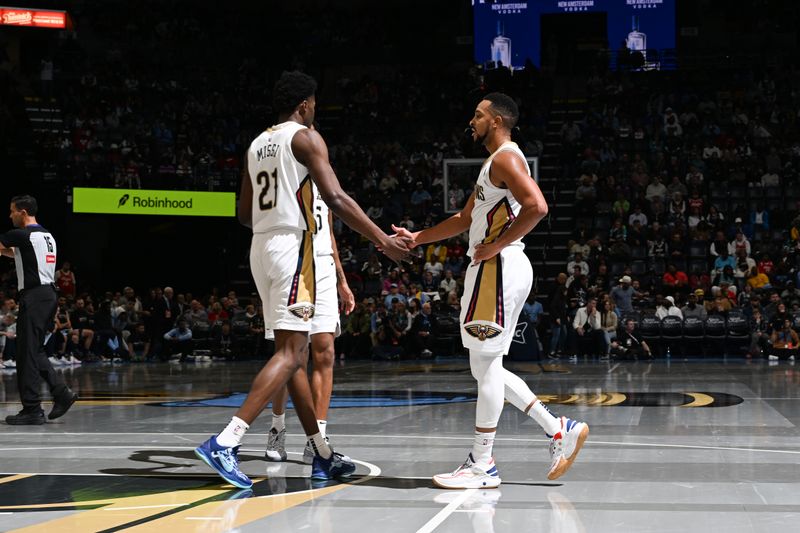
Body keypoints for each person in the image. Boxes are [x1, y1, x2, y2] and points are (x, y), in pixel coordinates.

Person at [195, 71, 409, 489]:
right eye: (315, 104)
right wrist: (382, 239)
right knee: (293, 354)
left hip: (262, 247)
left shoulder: (256, 144)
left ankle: (321, 452)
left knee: (291, 353)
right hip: (295, 249)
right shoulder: (307, 138)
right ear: (305, 104)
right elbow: (337, 198)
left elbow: (243, 214)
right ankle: (227, 440)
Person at [393, 93, 588, 489]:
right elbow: (465, 218)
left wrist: (497, 245)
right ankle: (558, 429)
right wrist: (417, 239)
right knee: (488, 367)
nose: (472, 120)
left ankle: (483, 463)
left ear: (497, 120)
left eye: (478, 115)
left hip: (497, 268)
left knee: (484, 367)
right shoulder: (491, 165)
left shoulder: (506, 157)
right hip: (495, 268)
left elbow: (538, 206)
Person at [265, 186, 356, 464]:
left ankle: (317, 439)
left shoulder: (324, 178)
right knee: (290, 355)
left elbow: (328, 232)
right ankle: (276, 427)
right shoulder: (285, 175)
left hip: (324, 267)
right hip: (293, 263)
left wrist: (342, 280)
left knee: (325, 350)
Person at [0, 195, 77, 424]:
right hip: (48, 296)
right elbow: (19, 255)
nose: (10, 215)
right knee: (34, 350)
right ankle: (61, 393)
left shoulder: (21, 235)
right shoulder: (46, 235)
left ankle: (32, 409)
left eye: (12, 211)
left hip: (35, 297)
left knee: (26, 353)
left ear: (23, 212)